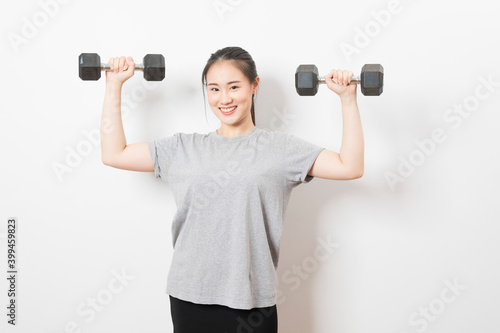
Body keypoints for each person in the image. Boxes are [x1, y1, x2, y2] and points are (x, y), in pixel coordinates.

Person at [100, 46, 364, 333]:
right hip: (189, 296)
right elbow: (114, 153)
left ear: (254, 85)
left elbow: (349, 166)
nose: (224, 99)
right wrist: (114, 85)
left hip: (251, 302)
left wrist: (348, 99)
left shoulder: (282, 150)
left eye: (234, 87)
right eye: (214, 89)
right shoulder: (182, 148)